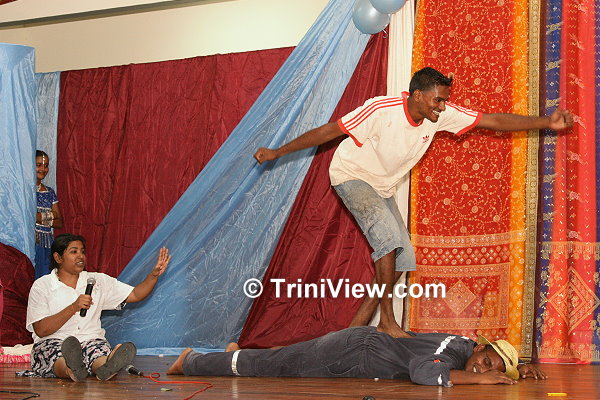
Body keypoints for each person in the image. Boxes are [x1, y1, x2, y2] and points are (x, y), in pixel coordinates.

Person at [253, 67, 574, 338]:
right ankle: (387, 322)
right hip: (350, 175)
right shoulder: (381, 110)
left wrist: (547, 122)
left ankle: (356, 327)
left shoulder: (439, 115)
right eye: (438, 99)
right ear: (417, 95)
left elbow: (492, 120)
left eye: (445, 100)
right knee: (388, 241)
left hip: (381, 186)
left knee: (404, 257)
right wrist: (277, 152)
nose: (443, 107)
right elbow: (329, 131)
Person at [166, 326, 546, 386]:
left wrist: (519, 368)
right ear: (479, 347)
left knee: (285, 358)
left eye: (491, 369)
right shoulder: (454, 350)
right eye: (486, 361)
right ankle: (191, 361)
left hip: (357, 349)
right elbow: (423, 372)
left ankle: (234, 352)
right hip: (352, 354)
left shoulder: (458, 347)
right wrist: (481, 380)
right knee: (267, 369)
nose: (481, 369)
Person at [23, 233, 171, 382]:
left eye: (82, 251)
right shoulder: (42, 286)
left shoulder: (97, 281)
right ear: (58, 258)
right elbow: (41, 330)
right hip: (54, 341)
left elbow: (135, 294)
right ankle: (71, 369)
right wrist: (73, 307)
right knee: (56, 356)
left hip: (91, 339)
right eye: (74, 252)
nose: (80, 256)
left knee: (97, 352)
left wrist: (153, 276)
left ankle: (107, 365)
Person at [35, 150, 64, 279]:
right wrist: (51, 214)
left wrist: (39, 217)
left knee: (46, 278)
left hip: (47, 243)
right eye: (39, 165)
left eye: (46, 166)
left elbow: (59, 222)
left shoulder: (49, 192)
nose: (43, 169)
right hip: (32, 241)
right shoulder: (24, 191)